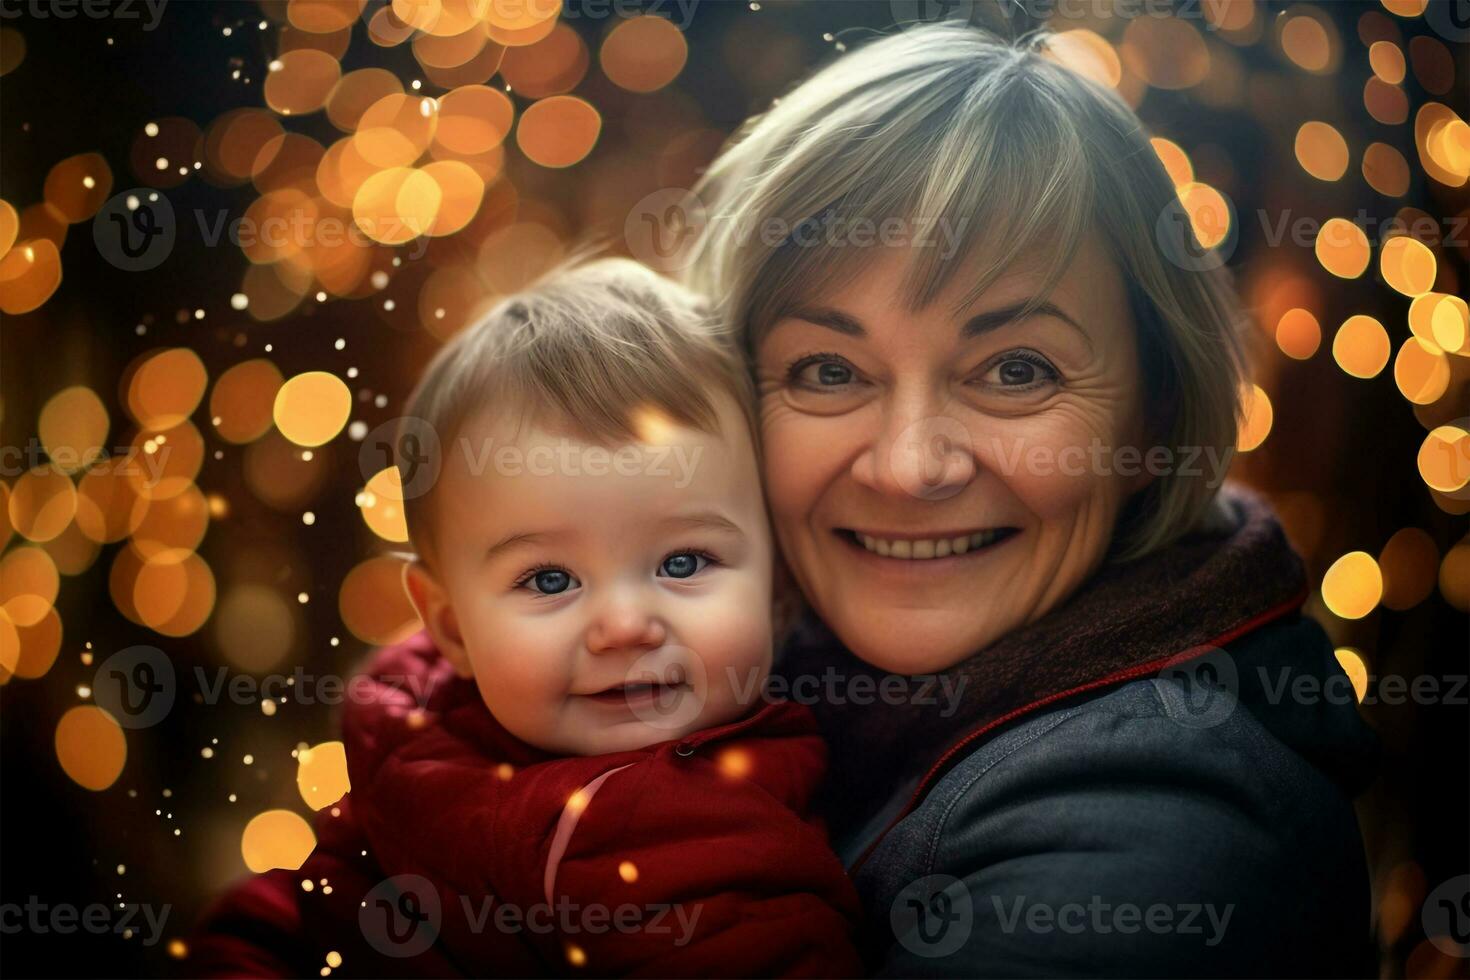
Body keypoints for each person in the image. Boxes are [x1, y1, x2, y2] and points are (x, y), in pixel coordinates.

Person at [684, 22, 1380, 977]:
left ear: (1155, 421)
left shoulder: (1158, 824)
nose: (908, 466)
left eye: (1016, 369)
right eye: (826, 369)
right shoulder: (724, 686)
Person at [186, 258, 863, 978]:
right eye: (549, 579)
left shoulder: (707, 842)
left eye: (684, 563)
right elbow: (297, 912)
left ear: (779, 589)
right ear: (449, 630)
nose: (626, 625)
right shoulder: (425, 744)